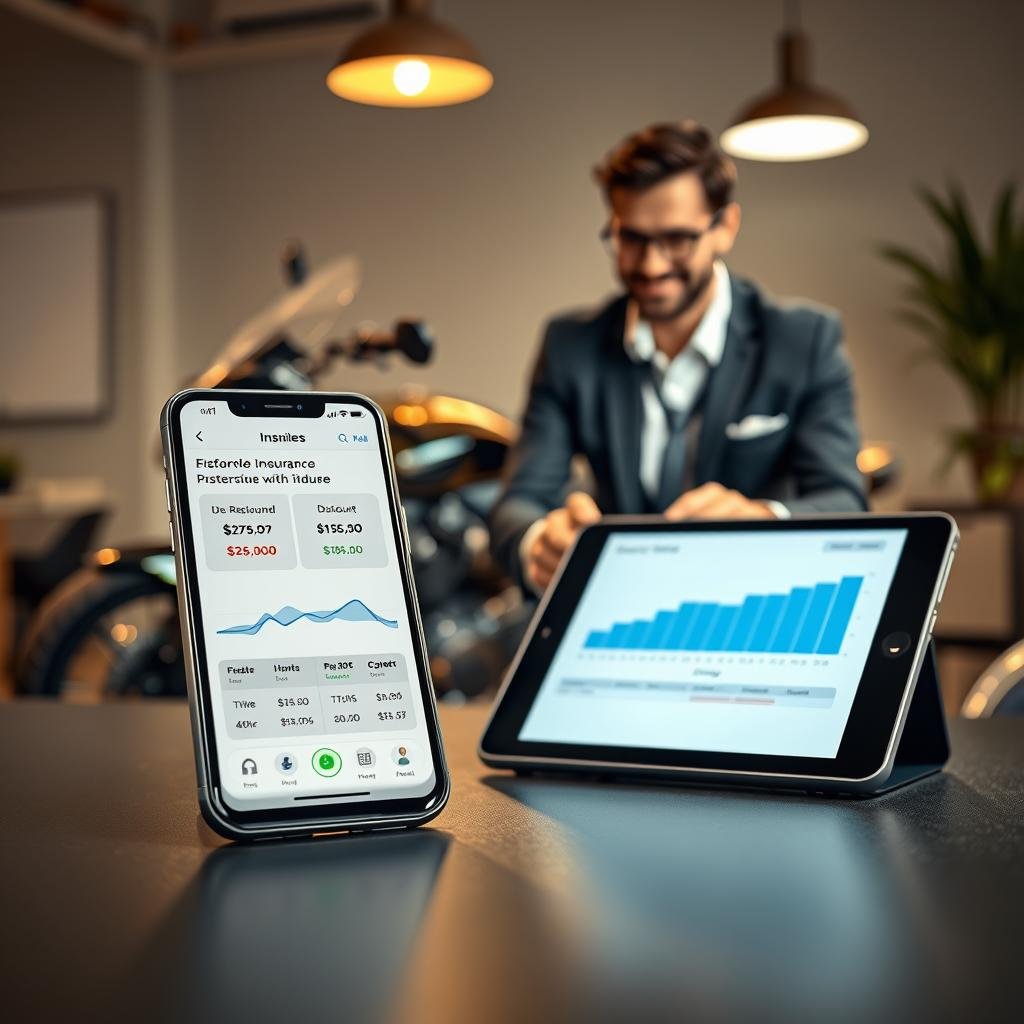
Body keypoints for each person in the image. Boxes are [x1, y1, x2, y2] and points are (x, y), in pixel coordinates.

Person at [490, 121, 867, 594]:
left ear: (725, 227)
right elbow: (518, 502)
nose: (651, 265)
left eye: (676, 239)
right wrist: (538, 543)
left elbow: (844, 501)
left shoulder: (803, 339)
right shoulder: (570, 345)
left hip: (748, 603)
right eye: (631, 240)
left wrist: (761, 519)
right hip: (623, 605)